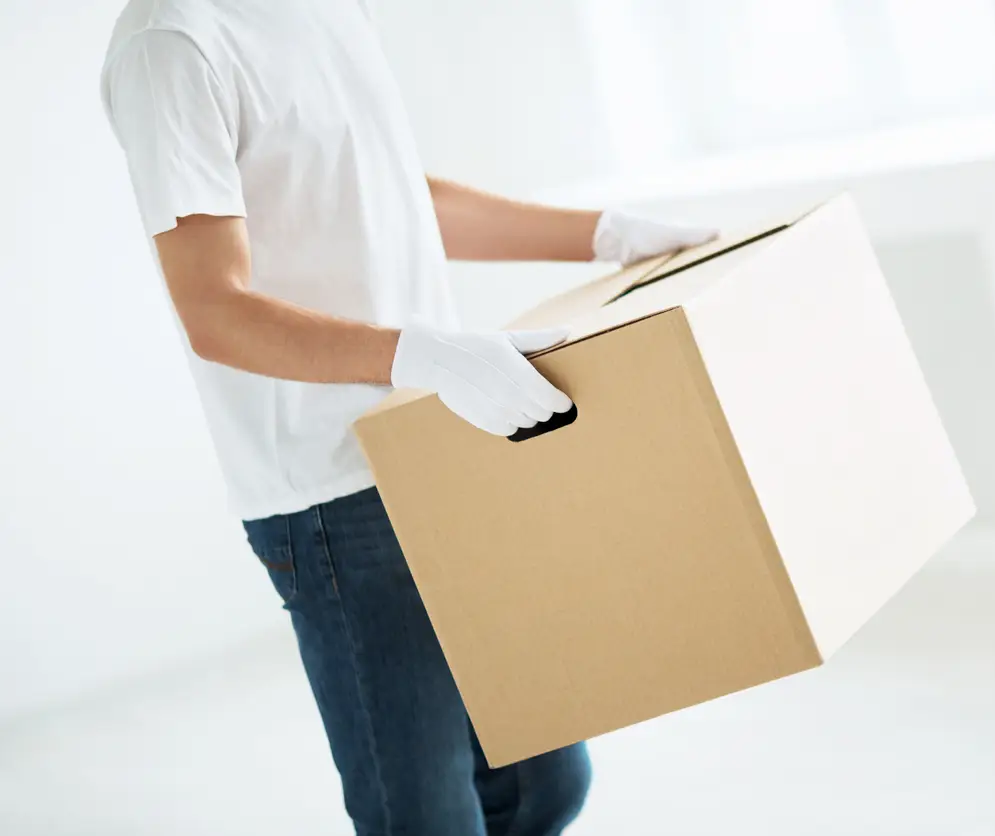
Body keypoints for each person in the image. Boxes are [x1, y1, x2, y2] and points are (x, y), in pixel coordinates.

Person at [99, 1, 716, 833]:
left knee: (542, 786)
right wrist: (423, 354)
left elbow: (393, 195)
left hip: (438, 446)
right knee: (423, 820)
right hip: (332, 495)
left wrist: (605, 234)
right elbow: (216, 309)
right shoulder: (171, 44)